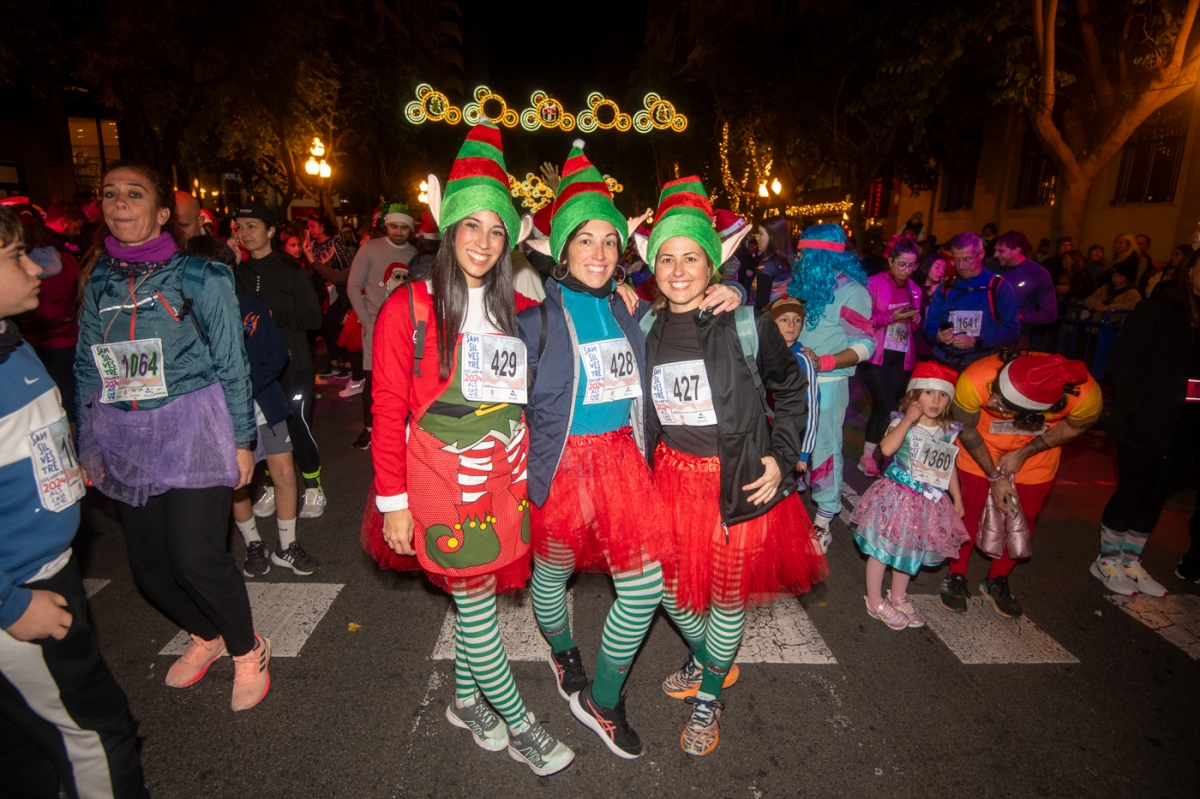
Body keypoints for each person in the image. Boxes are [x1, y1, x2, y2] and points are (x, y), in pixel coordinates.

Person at [362, 122, 575, 776]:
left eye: (497, 229)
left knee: (473, 596)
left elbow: (522, 396)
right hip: (437, 481)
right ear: (447, 229)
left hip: (498, 476)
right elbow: (385, 407)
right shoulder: (412, 306)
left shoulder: (514, 303)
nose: (485, 242)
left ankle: (464, 699)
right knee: (476, 599)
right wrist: (394, 503)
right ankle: (522, 723)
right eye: (472, 226)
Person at [518, 142, 722, 760]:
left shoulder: (633, 310)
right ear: (561, 248)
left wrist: (730, 294)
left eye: (611, 242)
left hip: (623, 467)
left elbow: (690, 315)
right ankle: (563, 653)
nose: (600, 254)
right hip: (560, 469)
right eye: (586, 241)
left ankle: (601, 700)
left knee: (642, 589)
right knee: (551, 577)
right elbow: (498, 410)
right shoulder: (530, 321)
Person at [637, 175, 826, 756]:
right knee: (666, 590)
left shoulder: (747, 322)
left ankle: (709, 694)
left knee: (722, 598)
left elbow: (793, 390)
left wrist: (784, 456)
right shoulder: (641, 324)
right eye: (666, 257)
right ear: (651, 263)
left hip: (738, 476)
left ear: (712, 261)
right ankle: (710, 658)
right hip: (668, 479)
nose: (677, 269)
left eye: (690, 256)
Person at [74, 163, 270, 710]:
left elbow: (233, 363)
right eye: (111, 194)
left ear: (162, 213)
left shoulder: (200, 277)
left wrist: (241, 440)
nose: (121, 204)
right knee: (151, 571)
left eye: (135, 194)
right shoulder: (99, 282)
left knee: (195, 559)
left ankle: (246, 647)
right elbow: (88, 367)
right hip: (127, 434)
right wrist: (89, 439)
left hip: (193, 428)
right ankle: (205, 635)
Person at [0, 206, 150, 799]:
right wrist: (8, 605)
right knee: (96, 735)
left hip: (48, 571)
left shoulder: (12, 342)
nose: (41, 267)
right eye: (16, 257)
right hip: (21, 590)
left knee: (28, 752)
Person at [187, 236, 315, 577]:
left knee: (285, 473)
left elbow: (277, 353)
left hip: (263, 404)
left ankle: (287, 546)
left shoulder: (250, 305)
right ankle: (253, 543)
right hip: (218, 415)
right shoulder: (186, 316)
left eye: (228, 270)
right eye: (212, 273)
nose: (222, 280)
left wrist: (245, 386)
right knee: (238, 481)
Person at [941, 350, 1101, 618]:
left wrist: (1027, 451)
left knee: (1024, 515)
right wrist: (994, 476)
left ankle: (996, 580)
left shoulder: (1086, 394)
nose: (991, 399)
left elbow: (1076, 427)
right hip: (982, 446)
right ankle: (956, 575)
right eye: (996, 392)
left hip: (1036, 451)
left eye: (1001, 402)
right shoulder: (977, 378)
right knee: (968, 508)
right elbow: (965, 428)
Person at [1093, 250, 1200, 596]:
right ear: (1190, 269)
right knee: (1133, 489)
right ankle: (1106, 560)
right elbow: (1123, 361)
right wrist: (1137, 408)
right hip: (1145, 419)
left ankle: (1130, 561)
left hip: (1186, 423)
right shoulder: (1158, 308)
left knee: (1157, 495)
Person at [850, 363, 969, 629]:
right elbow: (886, 447)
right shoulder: (901, 421)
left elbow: (948, 467)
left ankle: (898, 597)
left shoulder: (948, 430)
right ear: (914, 395)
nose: (935, 400)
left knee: (911, 549)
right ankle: (875, 600)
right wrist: (907, 420)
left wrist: (957, 498)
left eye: (942, 395)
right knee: (882, 549)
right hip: (897, 497)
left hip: (927, 502)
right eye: (928, 392)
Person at [234, 202, 327, 524]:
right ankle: (274, 484)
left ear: (271, 231)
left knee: (295, 426)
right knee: (264, 430)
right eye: (240, 227)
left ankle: (313, 486)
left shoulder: (292, 272)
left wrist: (274, 317)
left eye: (252, 227)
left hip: (293, 363)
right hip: (256, 367)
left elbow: (314, 319)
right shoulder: (236, 273)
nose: (245, 233)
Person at [788, 223, 875, 547]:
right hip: (795, 382)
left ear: (817, 254)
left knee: (824, 448)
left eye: (802, 252)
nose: (796, 258)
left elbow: (867, 344)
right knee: (792, 442)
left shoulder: (852, 291)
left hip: (826, 384)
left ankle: (824, 517)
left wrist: (823, 361)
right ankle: (792, 496)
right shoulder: (807, 284)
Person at [345, 202, 418, 449]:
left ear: (411, 230)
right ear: (386, 225)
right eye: (394, 227)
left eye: (403, 228)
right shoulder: (369, 249)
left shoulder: (416, 255)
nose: (398, 232)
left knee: (405, 379)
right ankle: (369, 429)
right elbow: (353, 286)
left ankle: (401, 428)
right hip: (375, 325)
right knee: (373, 377)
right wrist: (366, 322)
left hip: (407, 326)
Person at [12, 204, 80, 432]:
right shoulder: (67, 260)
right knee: (69, 404)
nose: (34, 270)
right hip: (68, 343)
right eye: (14, 257)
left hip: (39, 344)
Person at [858, 234, 922, 477]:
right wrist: (891, 317)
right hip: (875, 355)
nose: (907, 270)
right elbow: (860, 321)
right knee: (885, 406)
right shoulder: (873, 283)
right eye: (902, 264)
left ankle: (868, 456)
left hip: (902, 355)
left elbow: (914, 327)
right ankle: (881, 455)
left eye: (912, 265)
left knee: (885, 407)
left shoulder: (914, 289)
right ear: (890, 261)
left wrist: (915, 319)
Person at [923, 231, 1020, 368]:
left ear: (981, 254)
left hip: (978, 364)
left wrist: (976, 341)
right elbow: (930, 324)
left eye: (967, 259)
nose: (961, 266)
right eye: (956, 260)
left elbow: (1012, 330)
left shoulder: (999, 287)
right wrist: (937, 336)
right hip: (942, 360)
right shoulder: (945, 287)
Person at [767, 296, 819, 476]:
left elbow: (811, 406)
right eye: (784, 319)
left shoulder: (804, 360)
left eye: (797, 320)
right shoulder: (762, 353)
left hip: (791, 438)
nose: (791, 325)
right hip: (764, 435)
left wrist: (803, 453)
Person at [306, 216, 357, 381]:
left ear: (323, 226)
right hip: (323, 293)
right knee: (327, 329)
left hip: (339, 291)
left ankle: (347, 363)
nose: (311, 230)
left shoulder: (336, 243)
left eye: (313, 226)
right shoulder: (312, 246)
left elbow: (350, 265)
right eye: (309, 227)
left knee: (337, 328)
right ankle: (335, 362)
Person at [992, 230, 1057, 341]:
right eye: (995, 251)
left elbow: (1049, 314)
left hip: (1016, 336)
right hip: (988, 333)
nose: (995, 255)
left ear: (1017, 250)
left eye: (1000, 251)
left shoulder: (1039, 274)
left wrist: (1019, 317)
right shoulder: (992, 269)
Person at [751, 215, 793, 311]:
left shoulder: (767, 265)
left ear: (773, 236)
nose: (757, 238)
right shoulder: (787, 259)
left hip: (769, 318)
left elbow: (761, 305)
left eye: (760, 234)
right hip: (784, 313)